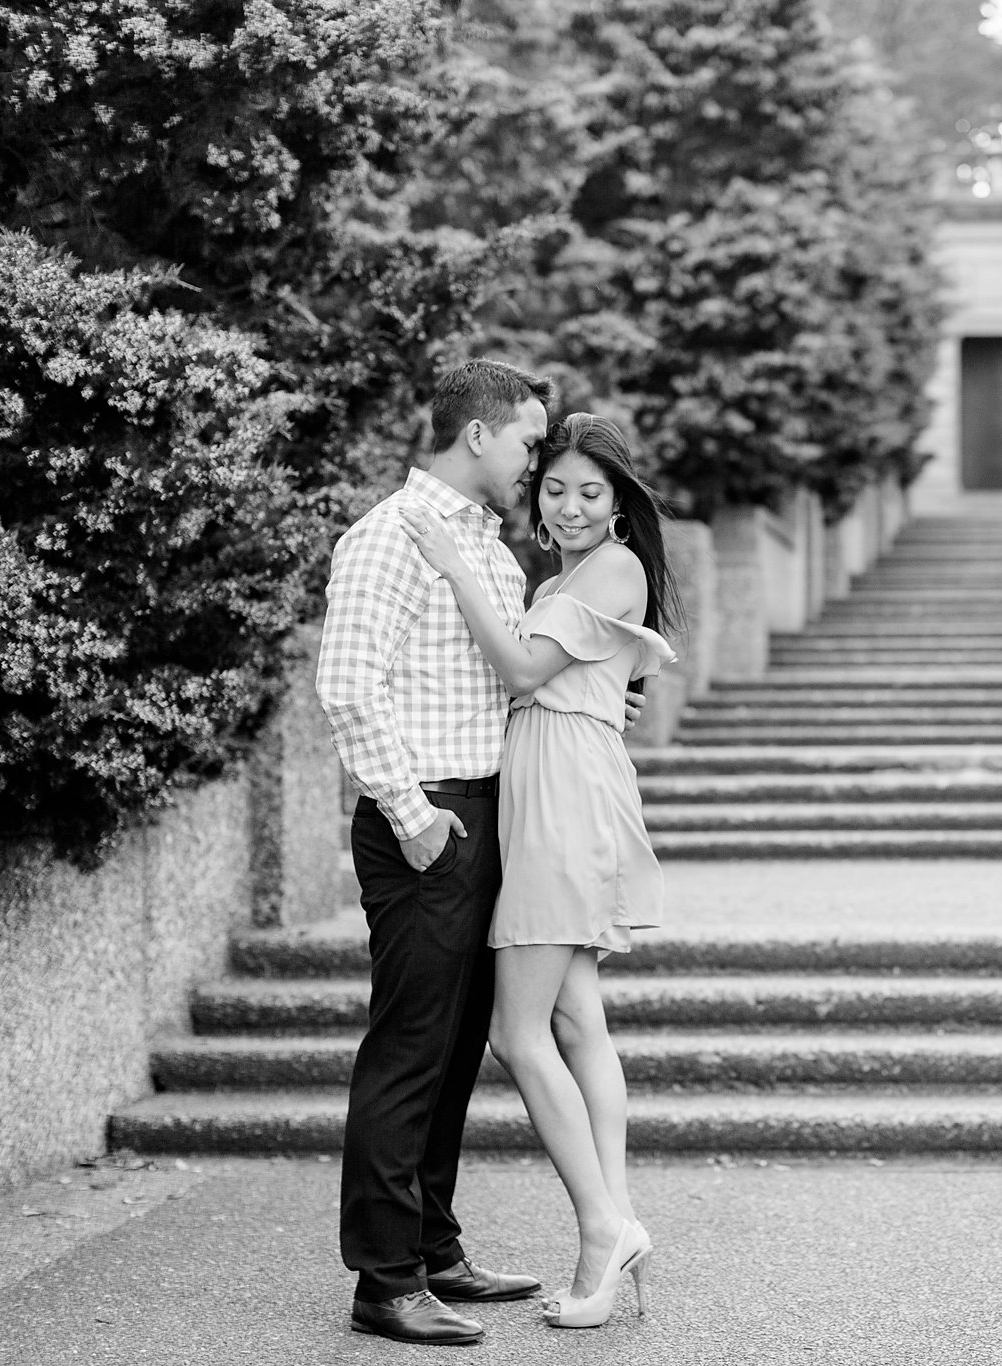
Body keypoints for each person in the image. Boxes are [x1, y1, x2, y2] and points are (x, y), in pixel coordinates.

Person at [315, 360, 644, 1346]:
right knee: (412, 1044)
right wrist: (409, 812)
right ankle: (384, 1277)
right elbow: (346, 684)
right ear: (477, 436)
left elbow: (502, 679)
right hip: (427, 815)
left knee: (459, 1045)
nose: (534, 462)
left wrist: (596, 692)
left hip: (496, 809)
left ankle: (434, 1247)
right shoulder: (386, 537)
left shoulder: (495, 556)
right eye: (528, 442)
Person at [399, 410, 678, 1331]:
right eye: (553, 488)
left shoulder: (613, 565)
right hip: (562, 790)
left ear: (620, 501)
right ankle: (619, 1221)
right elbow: (567, 681)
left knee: (519, 1036)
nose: (566, 506)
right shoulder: (572, 571)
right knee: (577, 1019)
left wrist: (447, 564)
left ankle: (604, 1227)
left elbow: (521, 670)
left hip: (561, 805)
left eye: (589, 492)